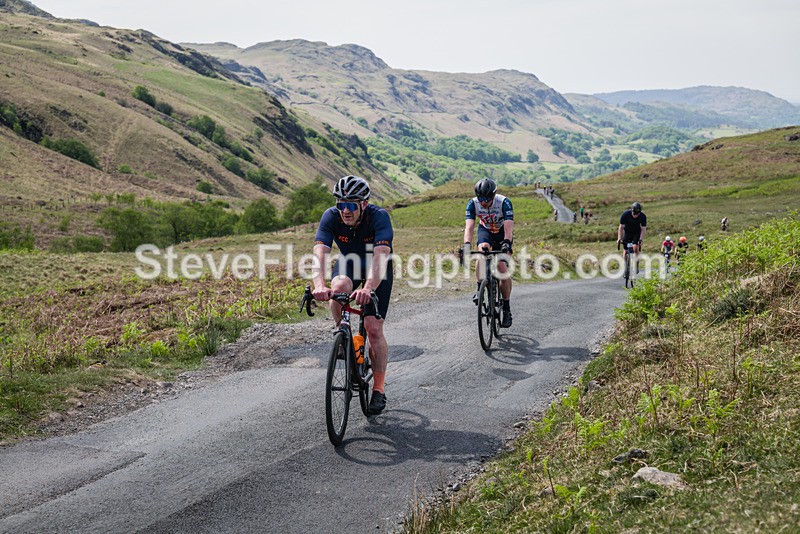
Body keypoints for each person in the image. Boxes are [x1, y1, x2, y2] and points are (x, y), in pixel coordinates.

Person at [312, 175, 393, 415]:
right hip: (349, 262)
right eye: (341, 204)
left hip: (378, 268)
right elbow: (320, 254)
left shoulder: (378, 217)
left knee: (373, 328)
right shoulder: (331, 217)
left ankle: (378, 389)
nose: (345, 210)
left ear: (363, 204)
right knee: (338, 289)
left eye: (350, 205)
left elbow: (380, 257)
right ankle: (342, 333)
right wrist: (318, 284)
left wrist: (368, 288)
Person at [461, 178, 514, 328]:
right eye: (481, 198)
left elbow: (509, 228)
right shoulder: (473, 204)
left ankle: (506, 308)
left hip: (502, 233)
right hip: (485, 230)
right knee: (481, 252)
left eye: (487, 198)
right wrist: (466, 245)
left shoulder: (504, 202)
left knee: (502, 268)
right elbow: (469, 227)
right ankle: (479, 289)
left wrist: (507, 243)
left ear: (493, 195)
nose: (483, 202)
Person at [617, 202, 647, 269]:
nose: (635, 215)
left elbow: (643, 229)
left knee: (635, 247)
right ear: (631, 211)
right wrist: (619, 238)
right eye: (634, 213)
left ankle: (636, 262)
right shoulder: (625, 214)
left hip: (636, 233)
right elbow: (621, 227)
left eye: (637, 214)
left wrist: (641, 239)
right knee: (625, 250)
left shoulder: (643, 216)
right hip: (627, 232)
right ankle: (625, 266)